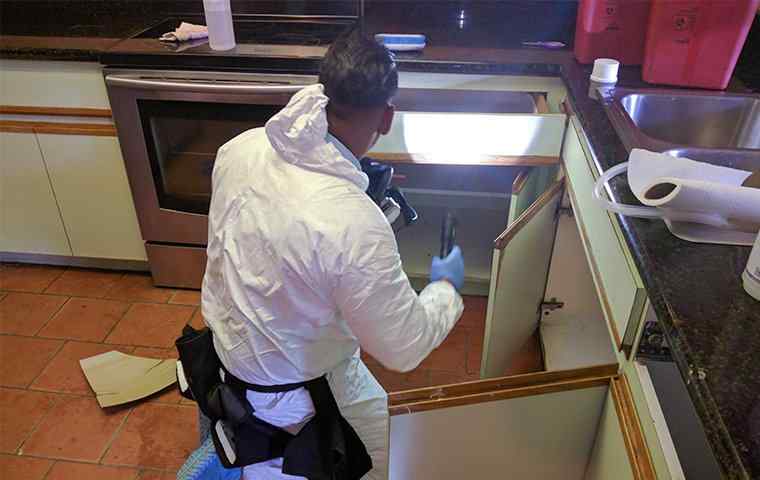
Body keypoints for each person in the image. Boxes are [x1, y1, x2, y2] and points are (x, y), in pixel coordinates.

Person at [201, 28, 465, 480]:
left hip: (231, 367)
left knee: (269, 471)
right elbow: (404, 348)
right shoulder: (354, 224)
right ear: (386, 117)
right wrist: (446, 289)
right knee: (385, 456)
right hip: (304, 393)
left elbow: (274, 236)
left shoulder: (241, 147)